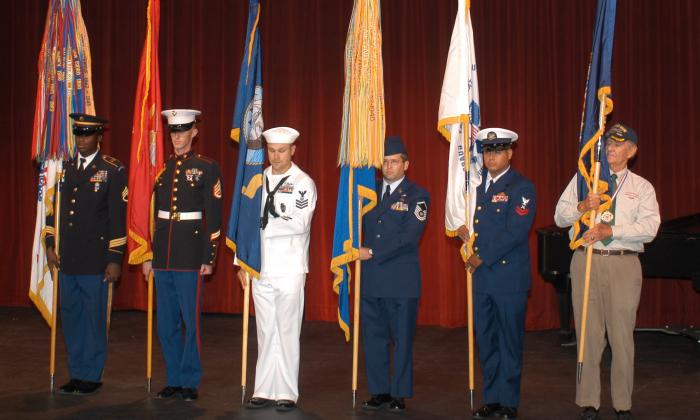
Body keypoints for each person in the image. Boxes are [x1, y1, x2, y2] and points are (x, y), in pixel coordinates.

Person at [554, 123, 660, 420]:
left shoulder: (641, 187)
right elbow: (559, 216)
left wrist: (611, 230)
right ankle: (589, 400)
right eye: (608, 144)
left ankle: (623, 403)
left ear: (632, 151)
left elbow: (650, 229)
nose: (611, 148)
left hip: (623, 264)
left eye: (618, 144)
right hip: (586, 260)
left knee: (621, 336)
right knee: (588, 333)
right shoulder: (583, 180)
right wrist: (581, 205)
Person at [142, 109, 222, 402]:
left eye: (182, 130)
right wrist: (149, 254)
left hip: (190, 252)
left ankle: (189, 380)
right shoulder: (161, 169)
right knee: (166, 323)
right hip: (163, 252)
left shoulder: (206, 167)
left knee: (190, 322)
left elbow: (213, 215)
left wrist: (209, 256)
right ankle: (173, 378)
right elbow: (151, 214)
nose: (177, 136)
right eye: (173, 131)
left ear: (194, 133)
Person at [45, 113, 127, 395]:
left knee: (93, 319)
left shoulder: (112, 170)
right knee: (72, 317)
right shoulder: (64, 169)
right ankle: (77, 372)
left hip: (96, 260)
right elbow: (53, 212)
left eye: (87, 135)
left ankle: (92, 375)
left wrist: (115, 258)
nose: (81, 140)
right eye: (78, 134)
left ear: (99, 137)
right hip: (68, 257)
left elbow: (118, 217)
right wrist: (50, 245)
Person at [240, 126, 317, 412]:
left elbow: (299, 223)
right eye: (271, 151)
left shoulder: (302, 182)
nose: (276, 156)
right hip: (260, 266)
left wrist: (268, 223)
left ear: (293, 150)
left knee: (286, 330)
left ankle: (286, 391)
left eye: (282, 151)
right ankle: (263, 389)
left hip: (289, 266)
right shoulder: (256, 180)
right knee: (265, 330)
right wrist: (242, 262)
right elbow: (244, 222)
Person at [465, 128, 536, 420]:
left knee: (508, 341)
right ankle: (491, 398)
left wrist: (482, 256)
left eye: (497, 151)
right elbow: (474, 225)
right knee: (486, 340)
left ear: (509, 153)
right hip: (482, 279)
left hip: (508, 279)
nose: (490, 156)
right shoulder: (476, 188)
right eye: (486, 151)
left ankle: (508, 402)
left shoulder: (521, 188)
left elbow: (515, 233)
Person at [358, 135, 430, 412]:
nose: (388, 167)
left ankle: (399, 393)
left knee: (401, 340)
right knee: (374, 339)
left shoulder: (418, 196)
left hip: (401, 280)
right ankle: (379, 391)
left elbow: (409, 237)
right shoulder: (367, 191)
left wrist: (373, 252)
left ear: (406, 164)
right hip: (372, 279)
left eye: (394, 162)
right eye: (385, 162)